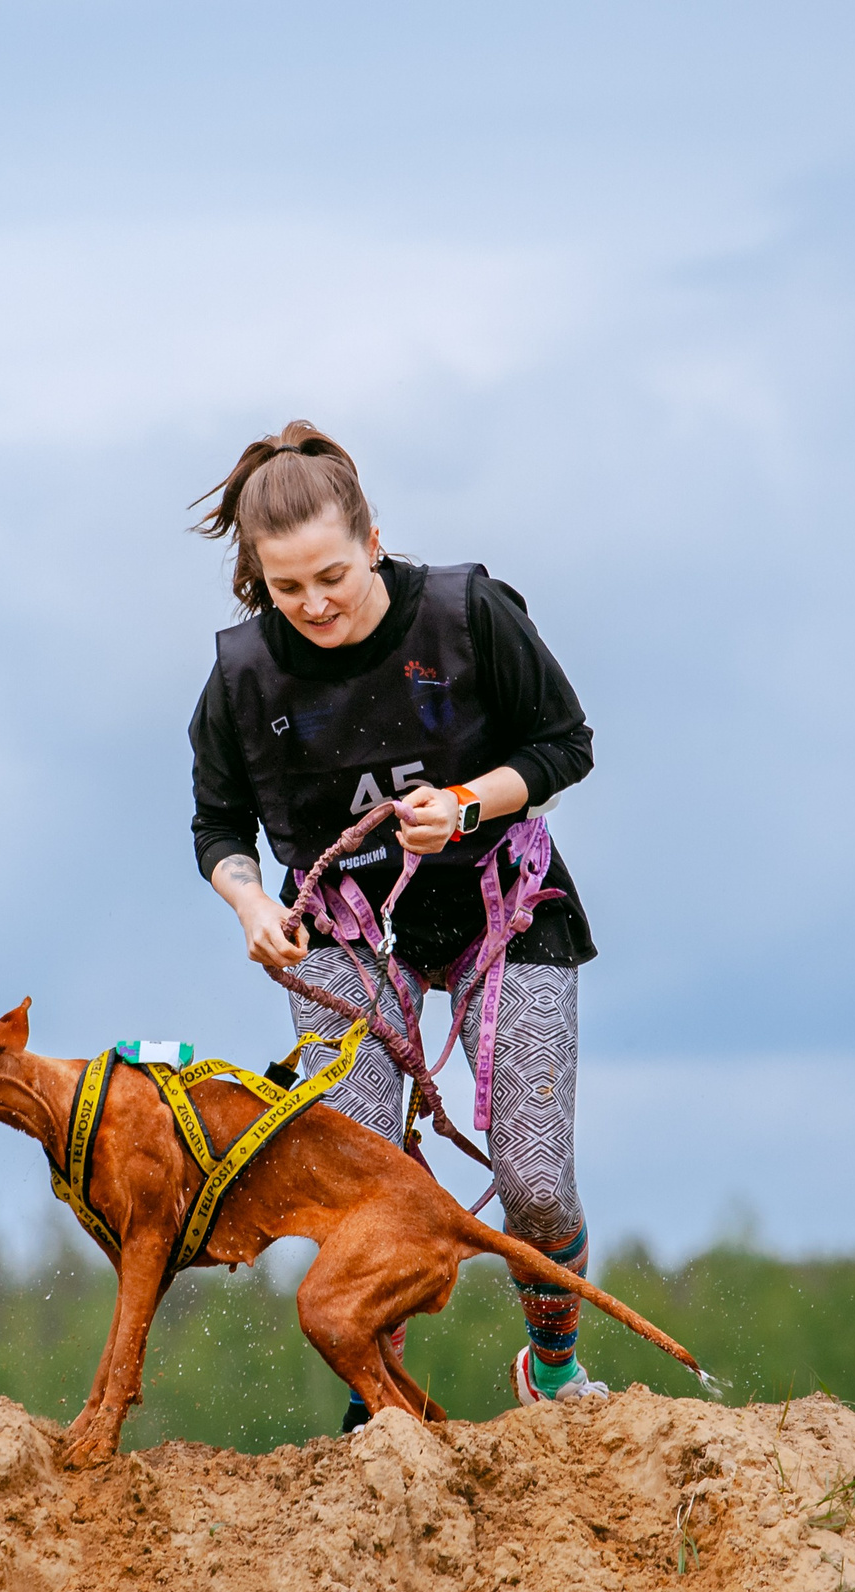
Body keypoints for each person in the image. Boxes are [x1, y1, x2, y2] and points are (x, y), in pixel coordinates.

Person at [187, 421, 605, 1428]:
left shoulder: (469, 615)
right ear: (258, 581)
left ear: (371, 540)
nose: (315, 603)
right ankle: (377, 1414)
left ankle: (552, 1366)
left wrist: (472, 802)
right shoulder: (243, 678)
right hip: (343, 935)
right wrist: (251, 905)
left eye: (331, 574)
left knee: (534, 1180)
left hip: (502, 905)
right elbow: (217, 827)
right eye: (288, 589)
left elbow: (566, 744)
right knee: (359, 1181)